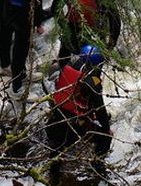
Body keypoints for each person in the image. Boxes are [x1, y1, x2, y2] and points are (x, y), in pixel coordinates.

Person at [48, 44, 113, 180]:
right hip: (74, 124)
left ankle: (53, 173)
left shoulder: (65, 66)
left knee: (56, 149)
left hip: (54, 119)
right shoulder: (92, 81)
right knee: (105, 137)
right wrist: (106, 129)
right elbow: (100, 110)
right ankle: (97, 166)